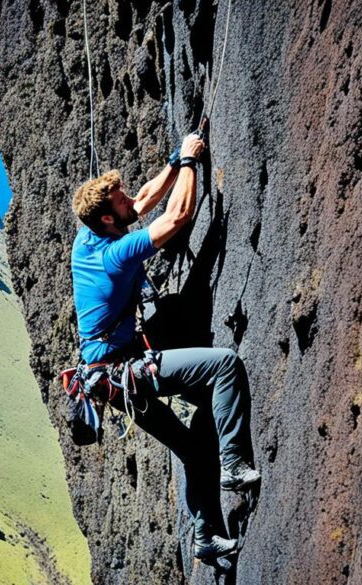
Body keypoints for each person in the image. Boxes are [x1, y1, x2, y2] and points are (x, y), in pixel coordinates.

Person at [70, 133, 261, 561]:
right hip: (127, 372)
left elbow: (142, 200)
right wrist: (192, 163)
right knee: (225, 366)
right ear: (106, 220)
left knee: (192, 449)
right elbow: (177, 216)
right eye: (118, 201)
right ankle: (232, 465)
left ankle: (204, 536)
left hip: (107, 378)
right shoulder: (114, 254)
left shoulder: (86, 239)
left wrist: (176, 160)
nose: (129, 201)